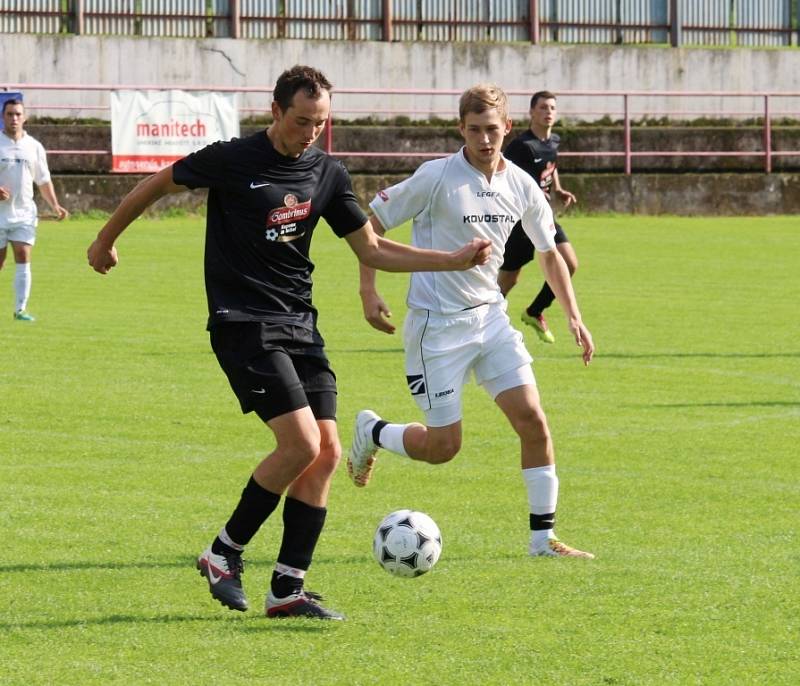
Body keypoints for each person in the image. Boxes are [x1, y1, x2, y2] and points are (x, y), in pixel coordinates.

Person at [87, 65, 490, 621]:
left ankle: (287, 589)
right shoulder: (233, 158)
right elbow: (159, 182)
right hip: (242, 321)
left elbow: (371, 249)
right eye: (302, 121)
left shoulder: (325, 172)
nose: (310, 133)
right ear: (275, 111)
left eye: (320, 123)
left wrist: (448, 260)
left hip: (300, 325)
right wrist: (105, 238)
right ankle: (222, 553)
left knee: (324, 453)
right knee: (300, 444)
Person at [351, 83, 595, 559]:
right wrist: (368, 289)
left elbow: (548, 253)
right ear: (461, 129)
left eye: (493, 130)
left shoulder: (521, 184)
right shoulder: (437, 176)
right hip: (436, 328)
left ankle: (543, 541)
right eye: (475, 130)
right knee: (444, 447)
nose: (485, 139)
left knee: (534, 422)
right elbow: (371, 225)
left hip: (491, 321)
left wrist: (574, 316)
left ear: (507, 128)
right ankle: (373, 431)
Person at [497, 90, 578, 344]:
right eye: (543, 107)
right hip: (521, 220)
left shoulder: (553, 140)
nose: (548, 112)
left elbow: (549, 167)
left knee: (570, 263)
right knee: (509, 277)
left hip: (544, 217)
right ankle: (478, 316)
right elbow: (503, 176)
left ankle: (534, 311)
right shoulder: (521, 146)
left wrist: (558, 188)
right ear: (532, 112)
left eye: (552, 107)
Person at [0, 98, 69, 321]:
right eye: (10, 114)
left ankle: (20, 310)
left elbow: (43, 180)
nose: (14, 118)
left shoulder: (34, 146)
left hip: (24, 214)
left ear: (25, 117)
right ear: (3, 116)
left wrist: (55, 205)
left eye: (18, 114)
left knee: (23, 254)